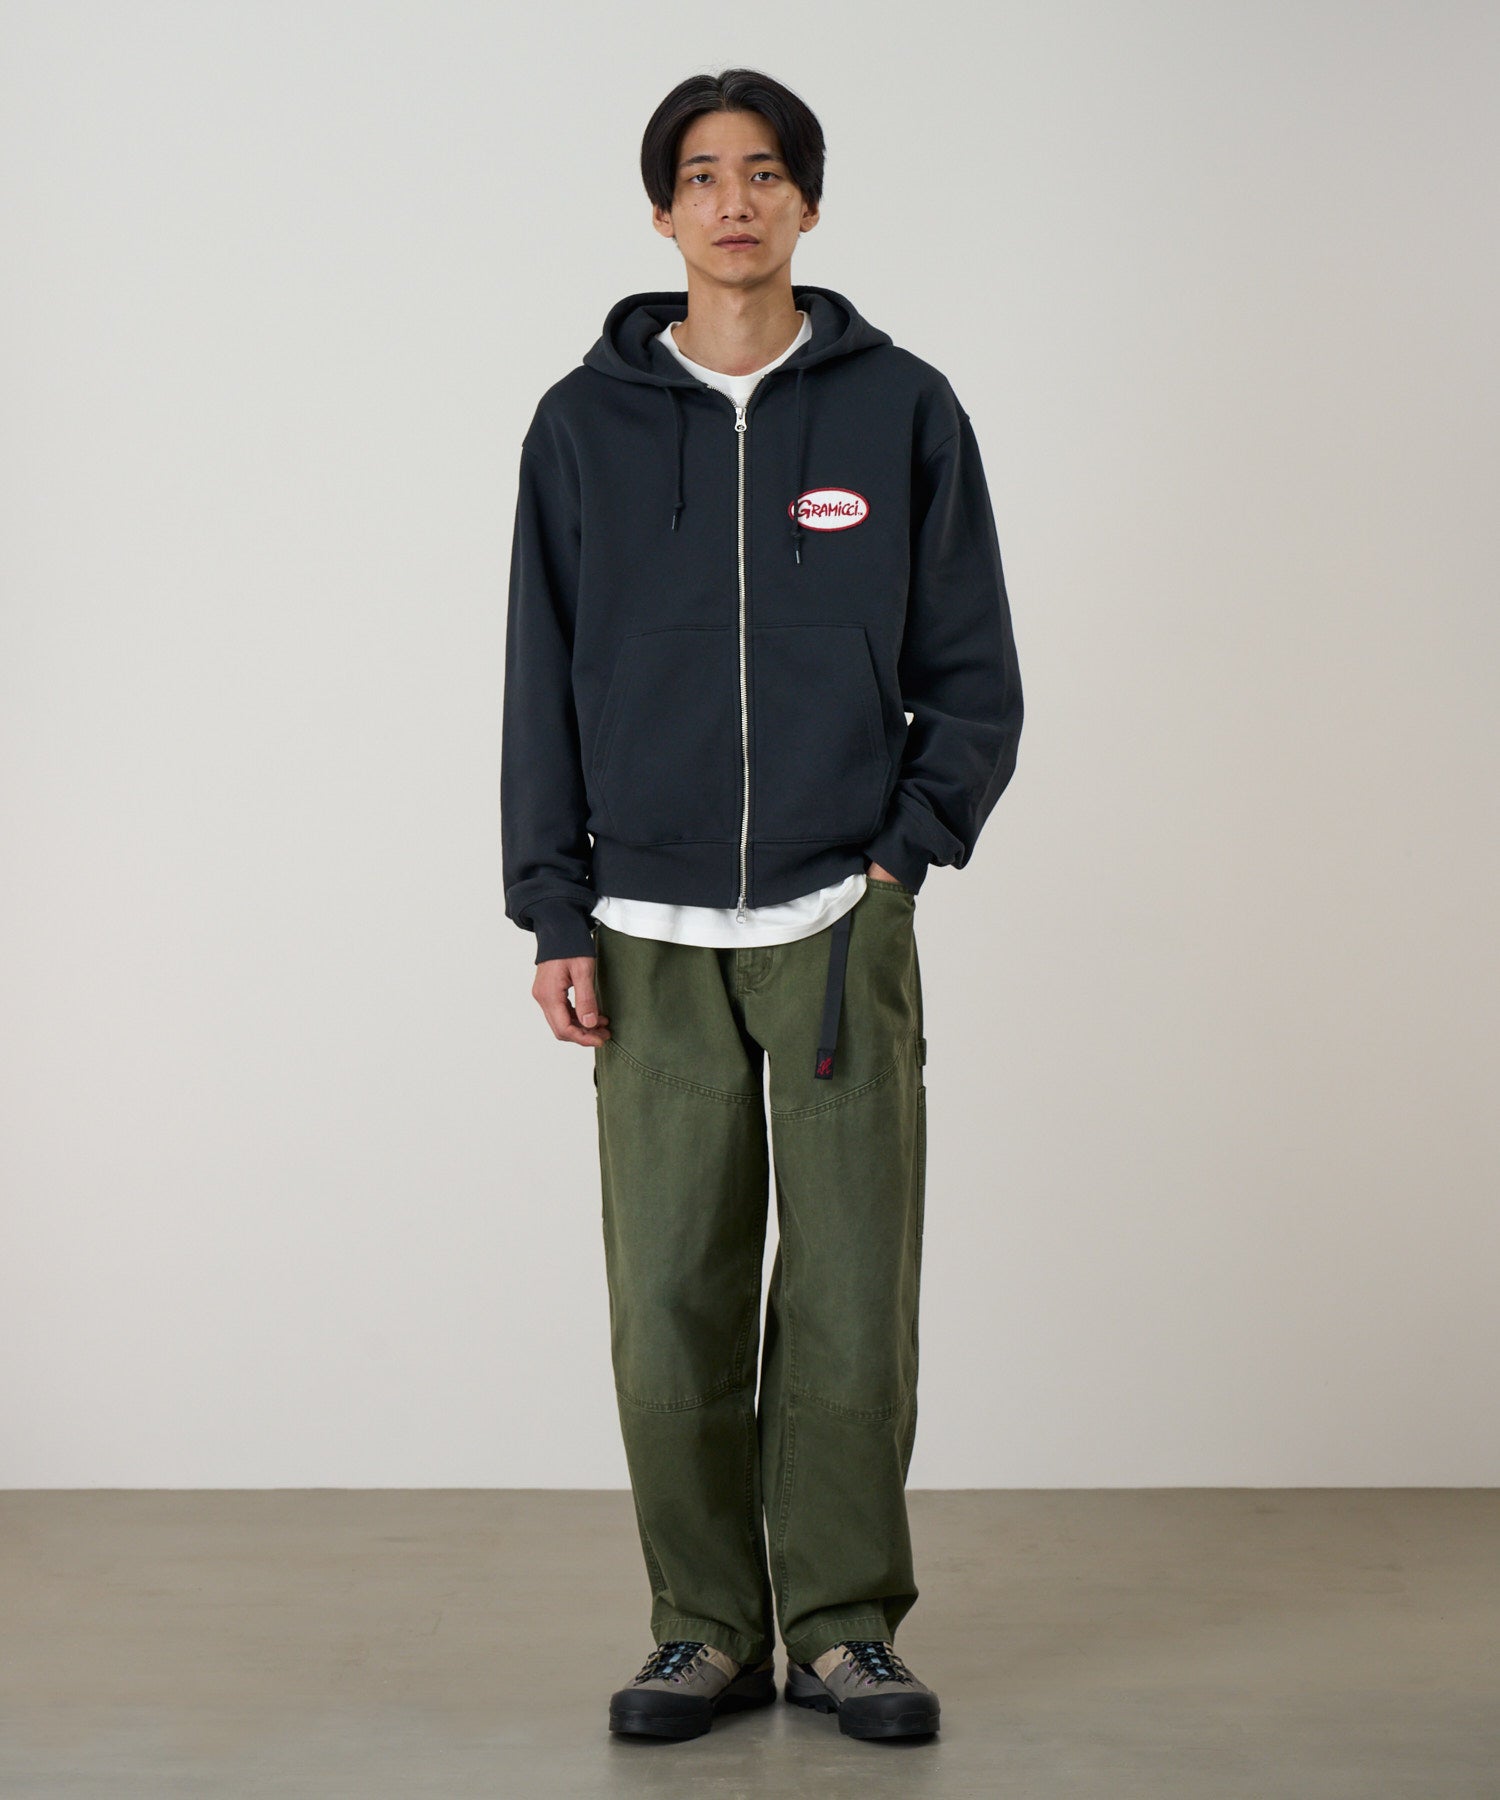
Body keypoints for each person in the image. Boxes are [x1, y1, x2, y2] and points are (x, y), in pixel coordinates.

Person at [500, 67, 1023, 1745]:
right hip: (645, 930)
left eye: (767, 172)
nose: (736, 201)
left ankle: (848, 1628)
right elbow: (538, 682)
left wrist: (903, 855)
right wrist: (553, 909)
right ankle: (705, 1628)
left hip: (838, 923)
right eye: (705, 175)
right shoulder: (582, 426)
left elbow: (975, 673)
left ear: (808, 200)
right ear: (662, 210)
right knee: (671, 1301)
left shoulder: (905, 408)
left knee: (852, 1298)